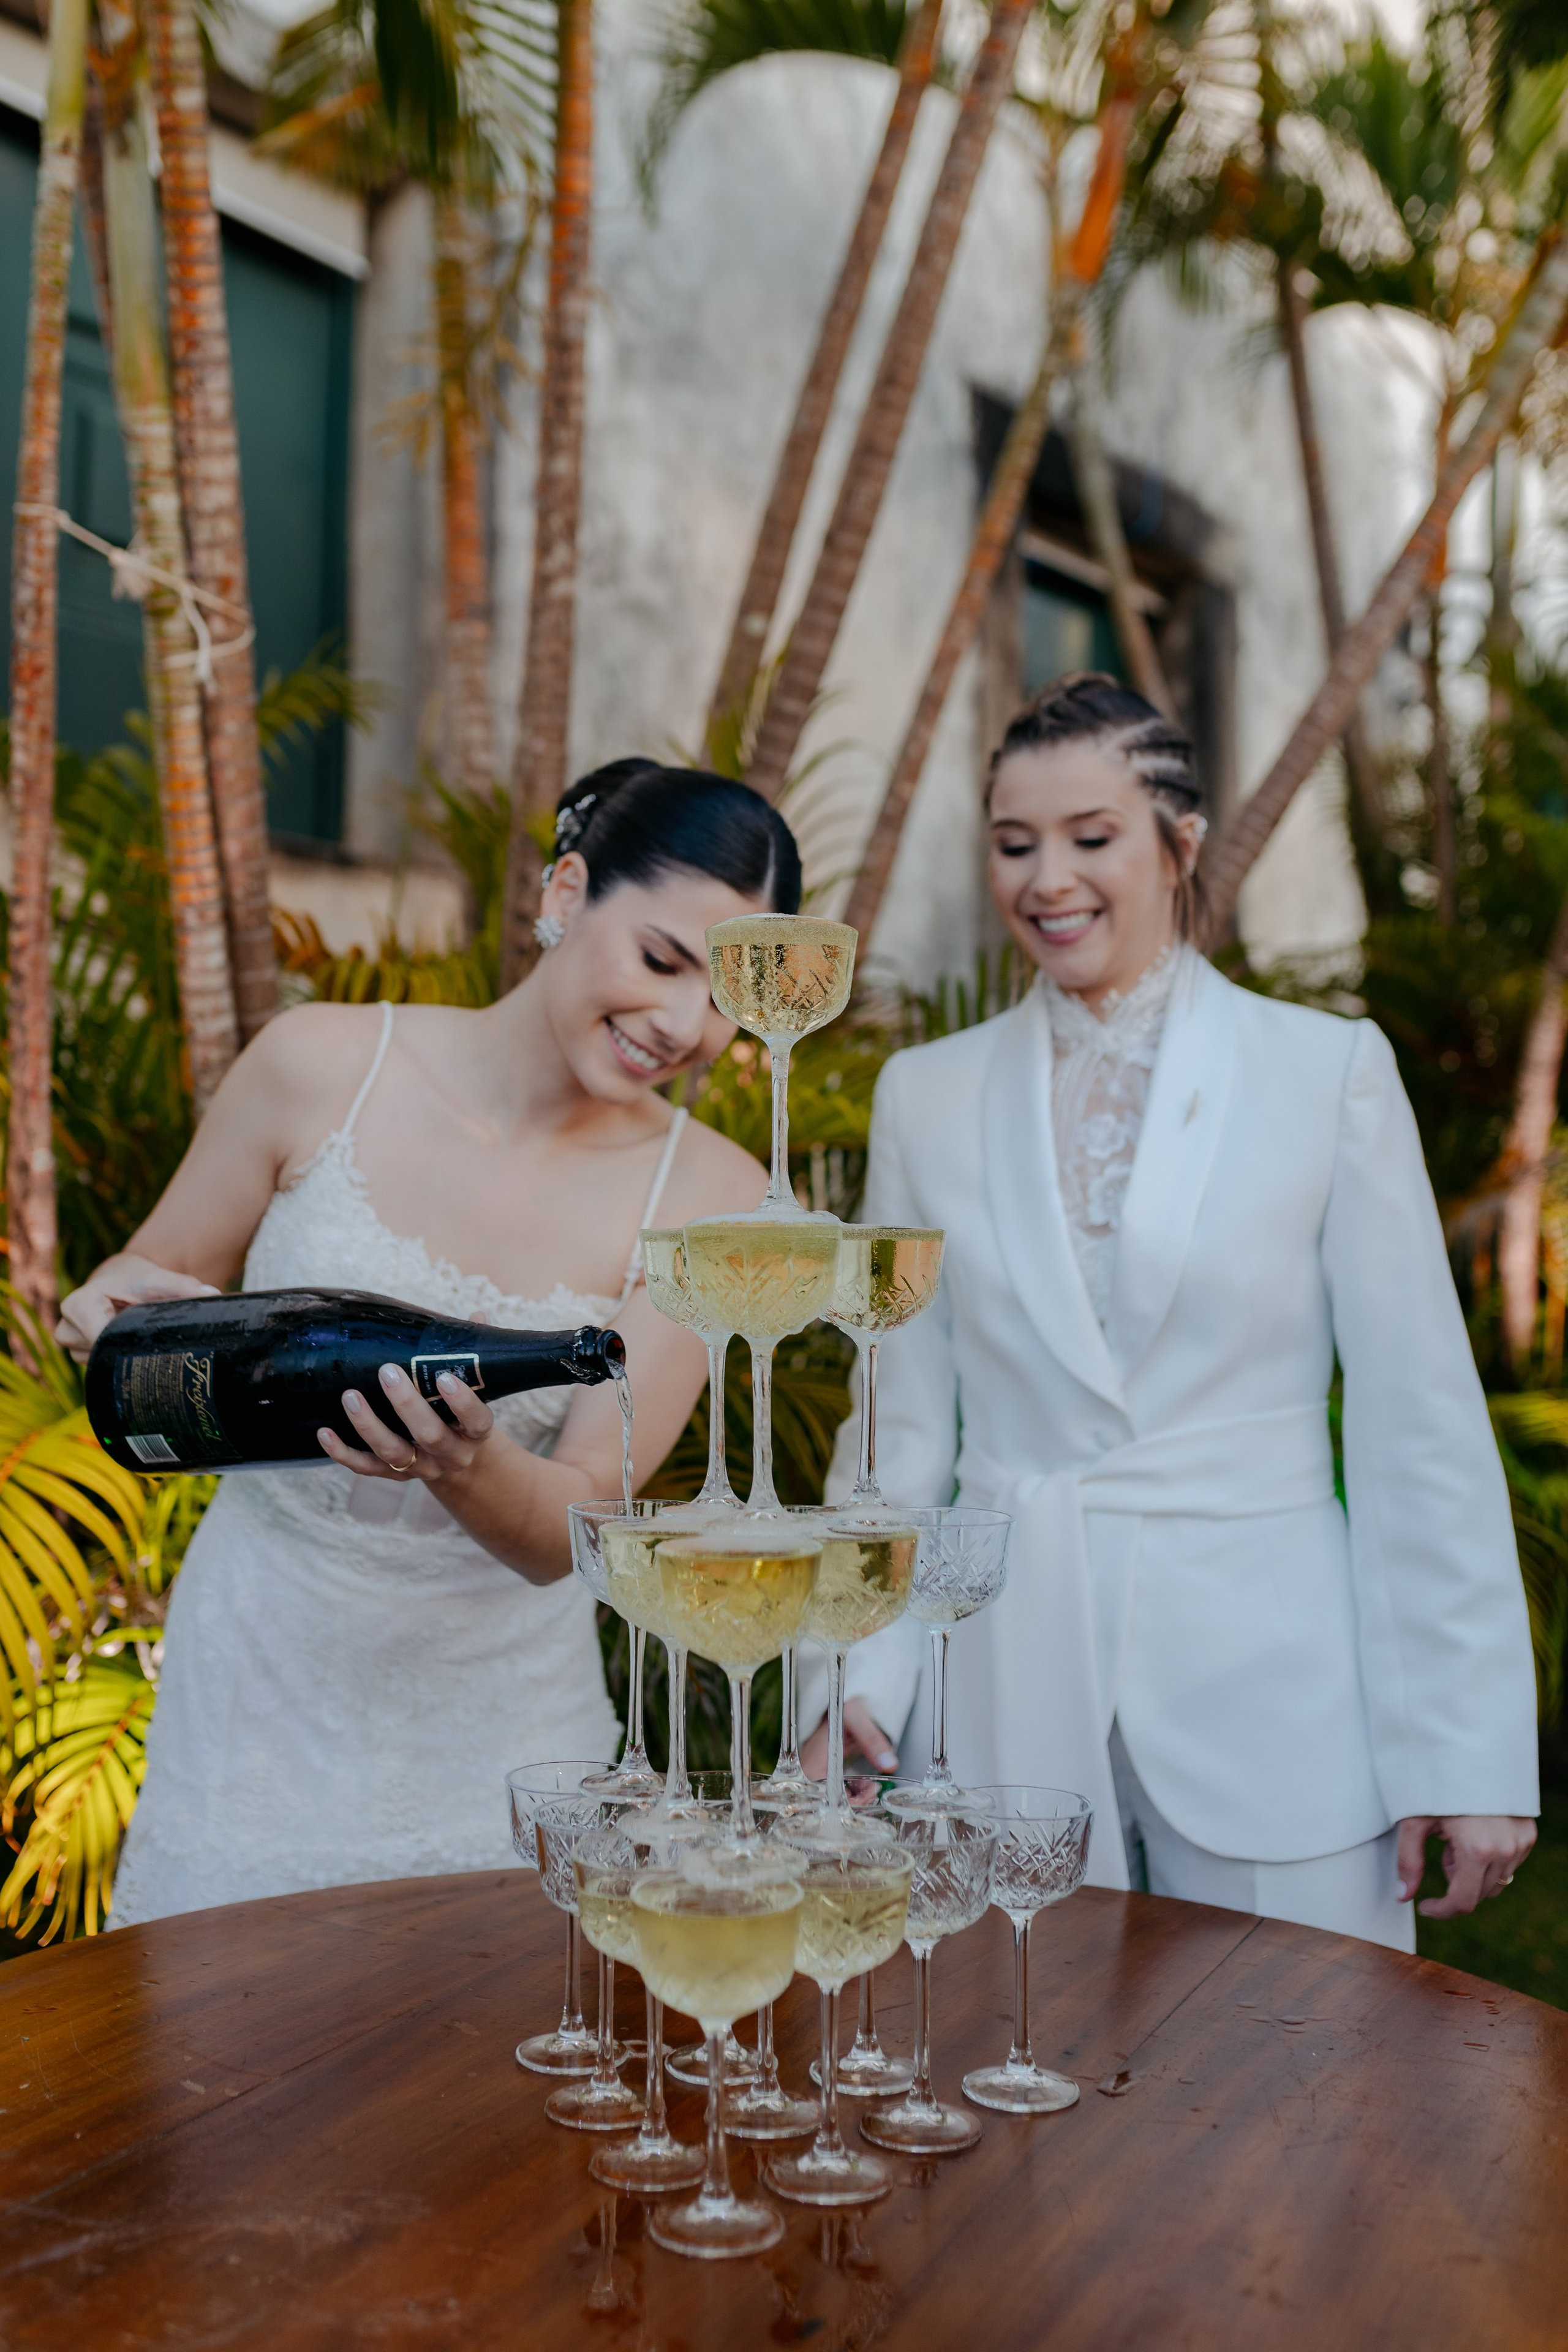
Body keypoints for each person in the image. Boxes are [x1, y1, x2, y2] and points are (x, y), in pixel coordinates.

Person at [806, 674, 1537, 1949]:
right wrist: (851, 1677)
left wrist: (1463, 1750)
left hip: (1272, 1687)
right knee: (1009, 2093)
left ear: (1176, 844)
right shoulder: (921, 1098)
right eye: (1013, 843)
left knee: (1300, 2098)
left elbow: (1413, 1421)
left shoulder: (1325, 1074)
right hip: (999, 1682)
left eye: (1090, 838)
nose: (1048, 880)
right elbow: (893, 1430)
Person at [60, 761, 796, 1923]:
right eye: (662, 961)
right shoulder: (319, 1064)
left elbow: (589, 1524)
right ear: (567, 889)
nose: (682, 1024)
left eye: (725, 1000)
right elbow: (151, 1339)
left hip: (500, 1737)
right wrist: (103, 1308)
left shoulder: (713, 1198)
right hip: (255, 1697)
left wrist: (469, 1465)